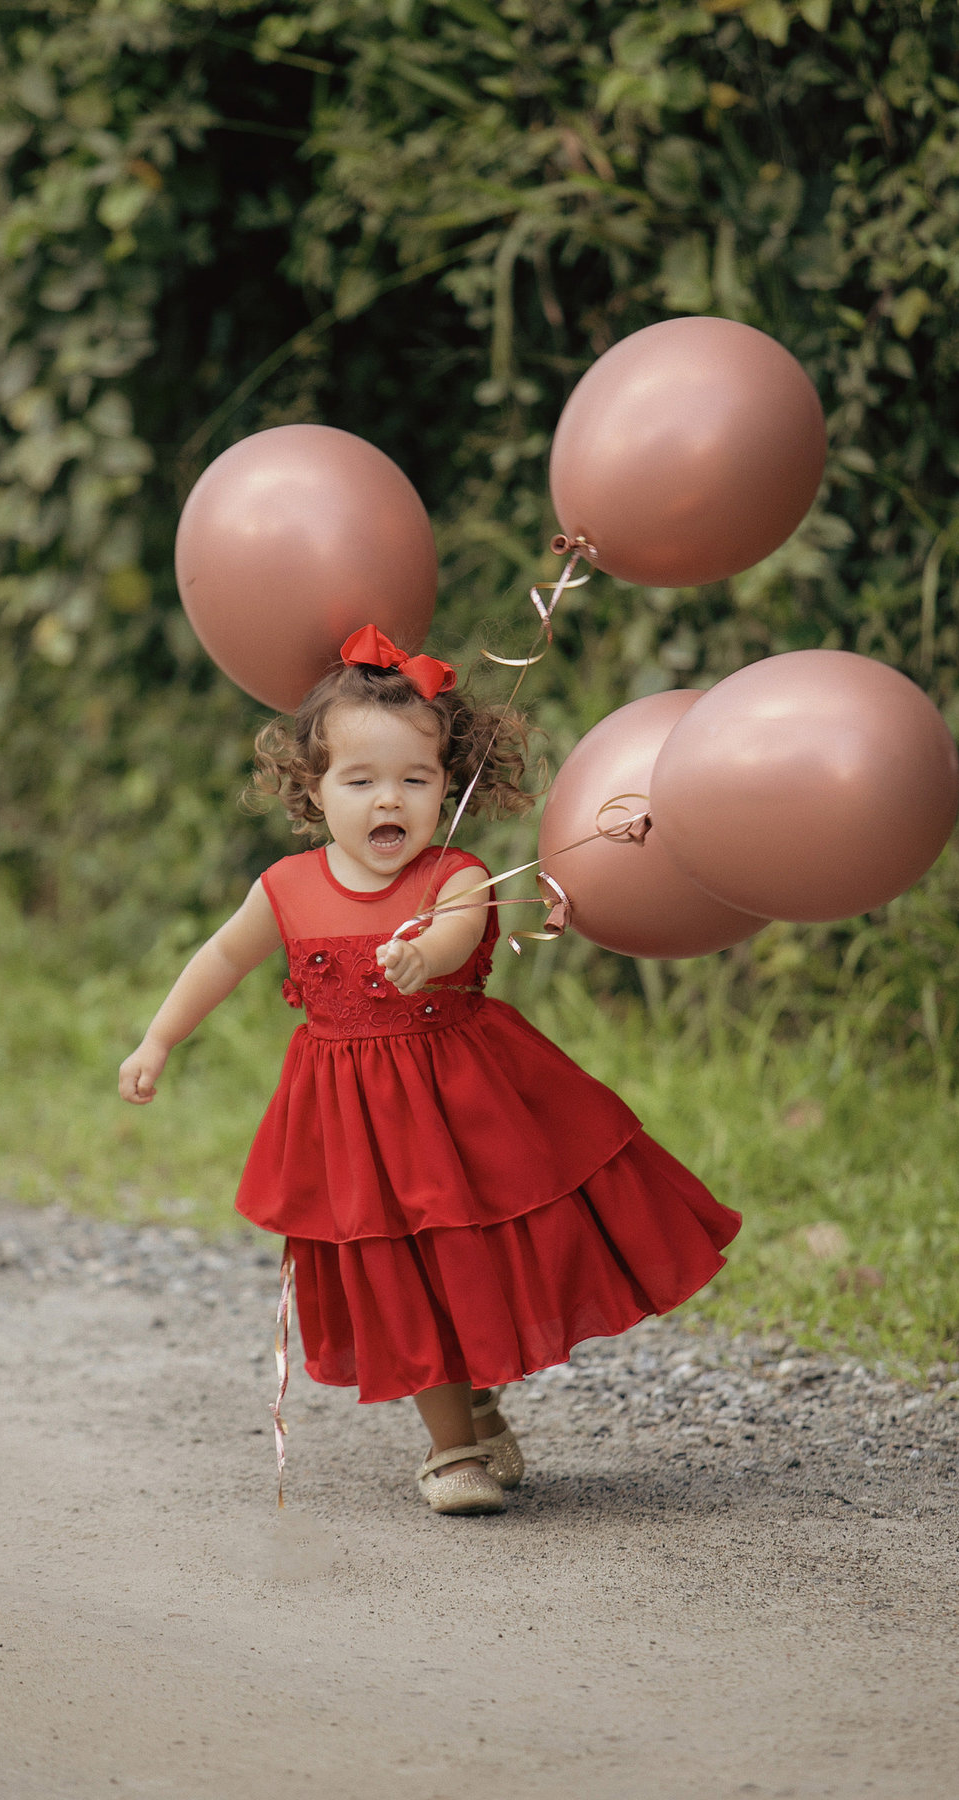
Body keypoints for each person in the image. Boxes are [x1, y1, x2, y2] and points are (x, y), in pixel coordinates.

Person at [119, 624, 741, 1517]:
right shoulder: (287, 888)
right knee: (399, 1270)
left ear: (451, 787)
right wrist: (158, 1040)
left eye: (416, 779)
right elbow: (219, 959)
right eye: (361, 780)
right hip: (354, 1123)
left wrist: (428, 957)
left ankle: (479, 1404)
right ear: (313, 789)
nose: (391, 800)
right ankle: (453, 1449)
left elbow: (456, 932)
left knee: (471, 1258)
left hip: (465, 1108)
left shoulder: (457, 873)